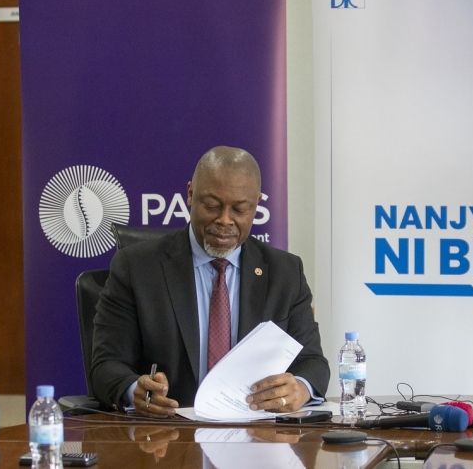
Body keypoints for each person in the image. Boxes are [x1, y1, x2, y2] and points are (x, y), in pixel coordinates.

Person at [91, 146, 329, 418]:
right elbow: (106, 365)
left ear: (256, 206)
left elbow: (313, 363)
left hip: (256, 438)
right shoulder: (136, 268)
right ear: (191, 194)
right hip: (167, 436)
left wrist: (299, 388)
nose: (225, 220)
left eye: (240, 209)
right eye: (212, 205)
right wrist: (135, 390)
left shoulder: (285, 272)